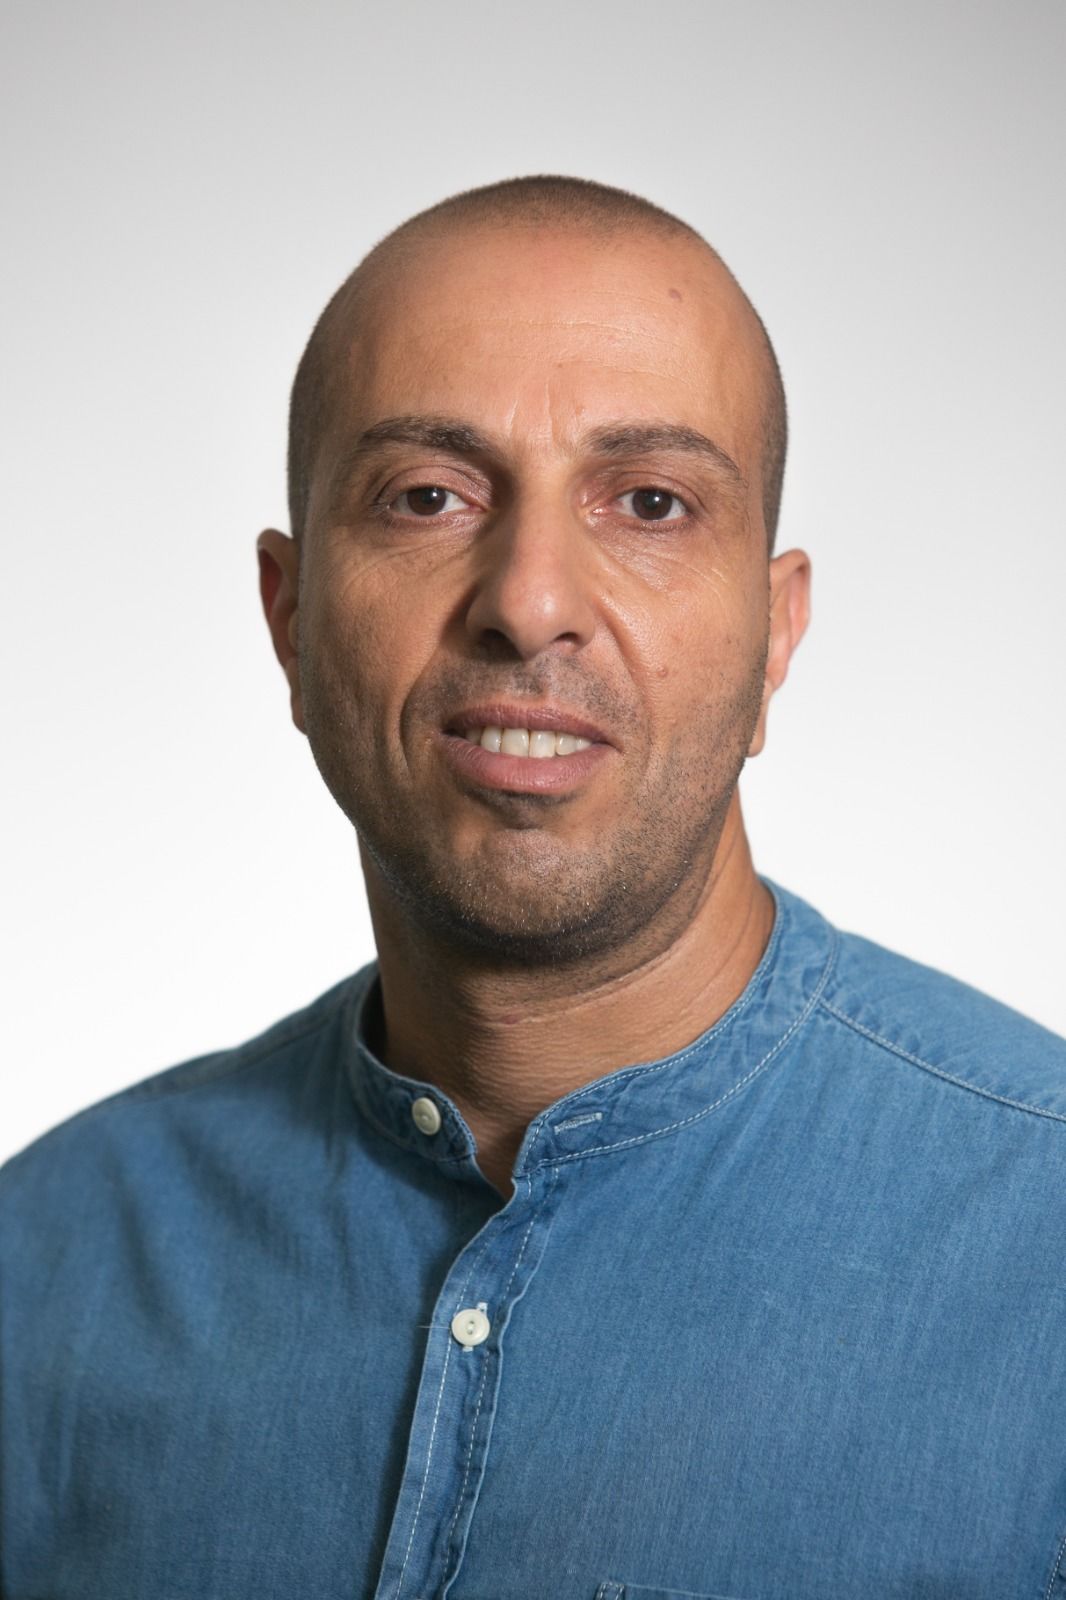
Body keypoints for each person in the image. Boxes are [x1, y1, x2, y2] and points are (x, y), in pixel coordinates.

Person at [2, 175, 1064, 1600]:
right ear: (290, 617)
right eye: (427, 497)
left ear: (775, 635)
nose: (528, 600)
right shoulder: (43, 1261)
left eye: (650, 502)